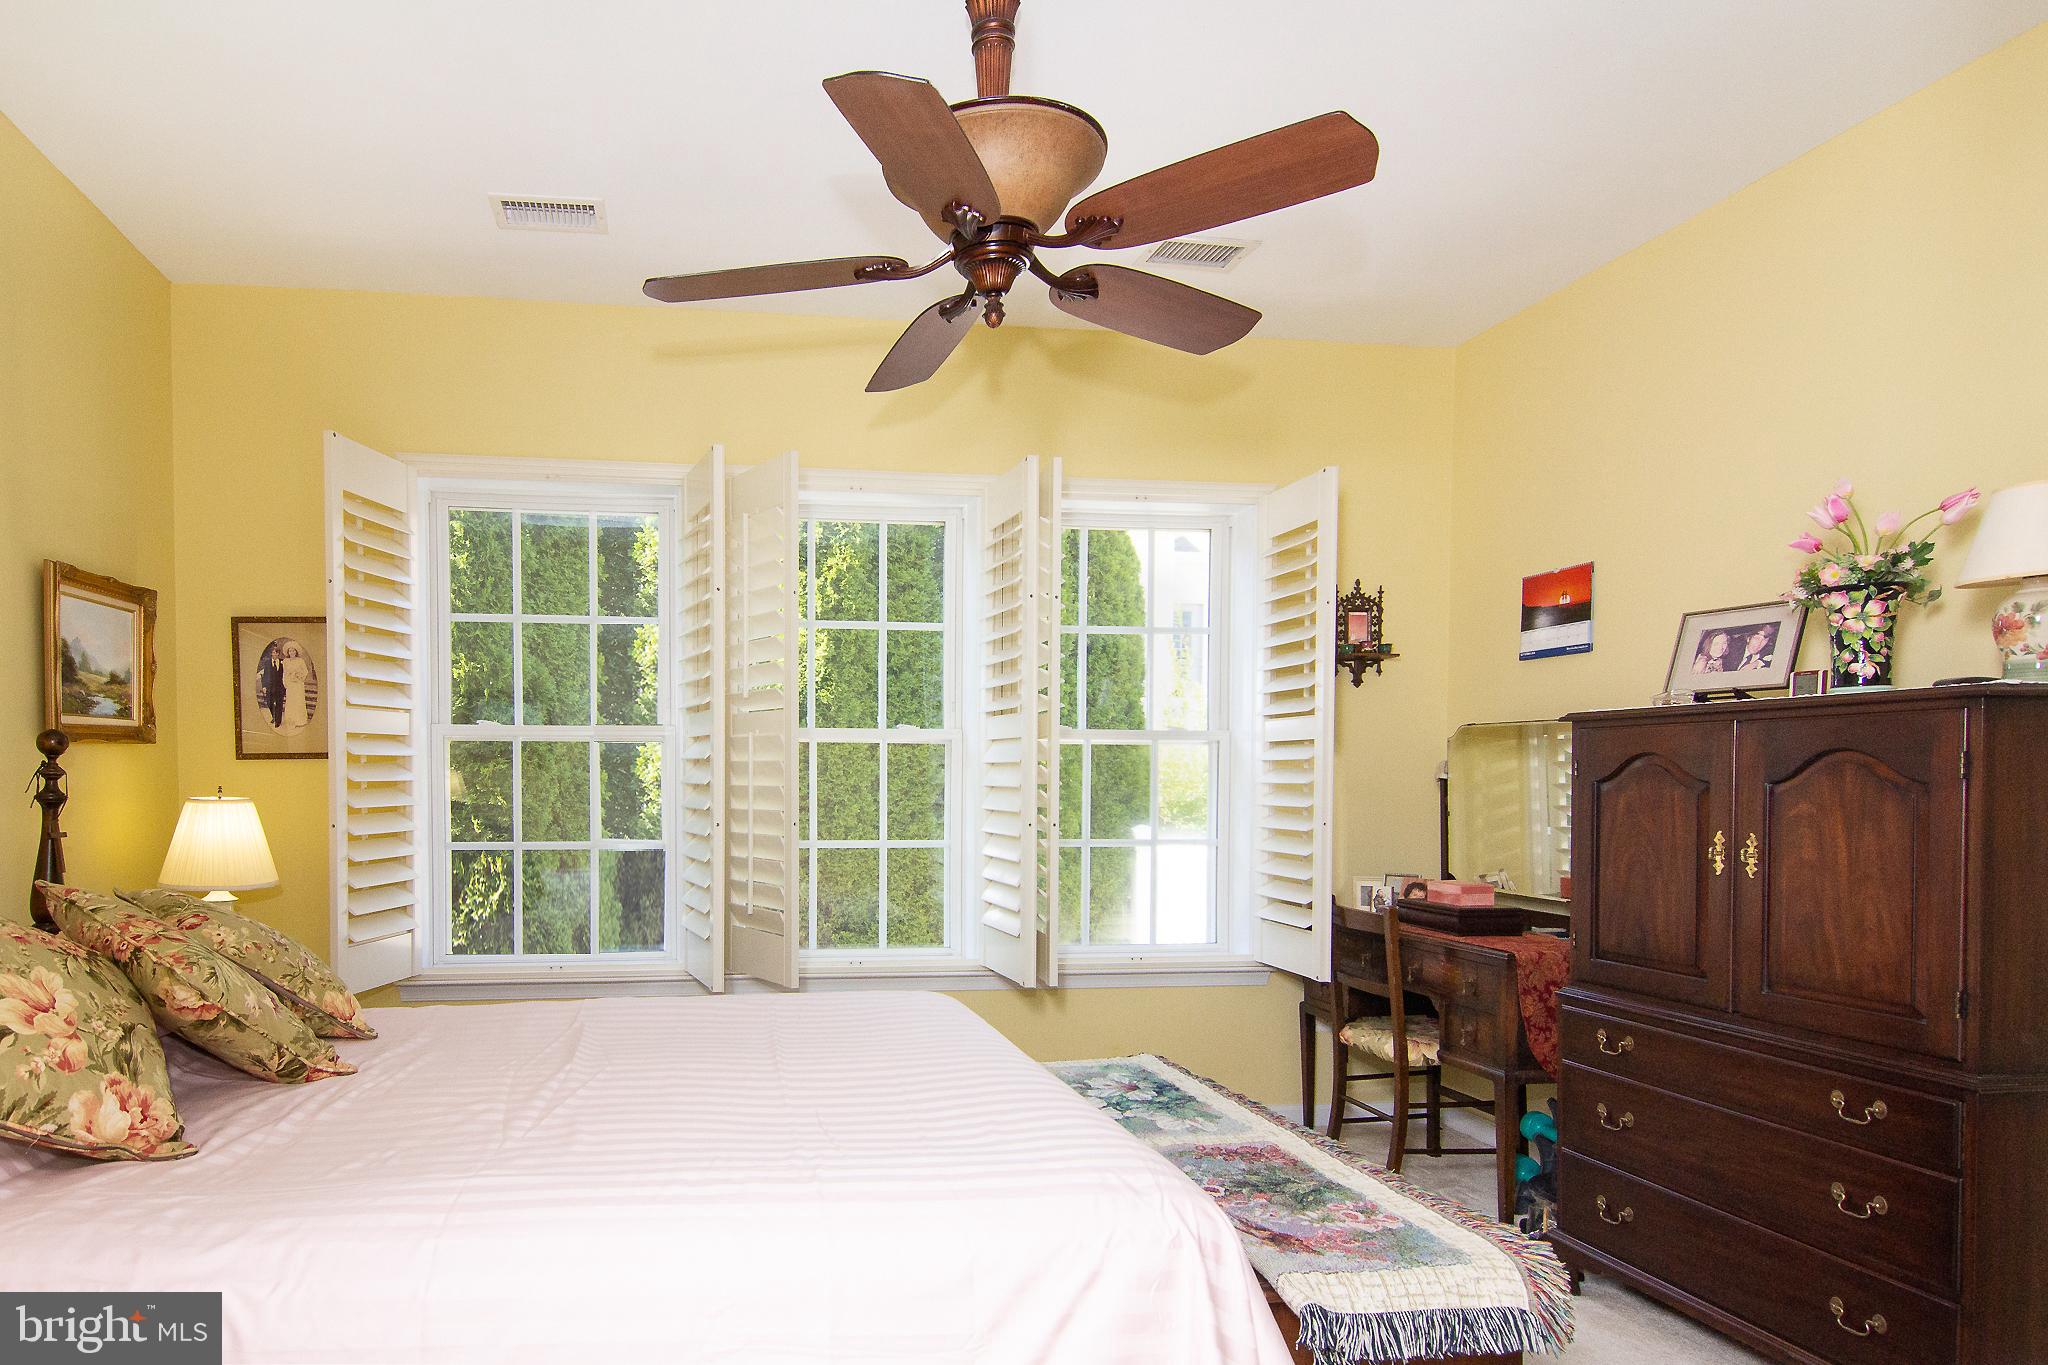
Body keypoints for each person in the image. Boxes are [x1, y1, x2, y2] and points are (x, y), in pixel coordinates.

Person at [256, 637, 317, 736]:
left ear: (296, 651)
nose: (292, 652)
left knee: (298, 701)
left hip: (298, 684)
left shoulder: (300, 660)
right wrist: (286, 683)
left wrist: (298, 676)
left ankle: (299, 721)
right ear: (288, 652)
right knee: (291, 702)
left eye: (293, 650)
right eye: (290, 650)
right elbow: (284, 673)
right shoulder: (286, 661)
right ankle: (291, 721)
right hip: (290, 684)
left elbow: (305, 671)